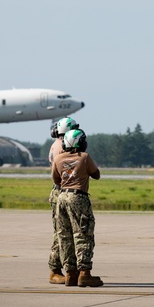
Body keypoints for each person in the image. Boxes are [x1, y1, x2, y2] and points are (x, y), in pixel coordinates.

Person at [51, 128, 102, 287]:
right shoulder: (85, 157)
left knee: (64, 236)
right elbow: (96, 174)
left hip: (62, 198)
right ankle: (84, 274)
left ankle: (70, 274)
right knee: (83, 234)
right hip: (78, 197)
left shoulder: (58, 159)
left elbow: (56, 179)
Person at [47, 117, 79, 284]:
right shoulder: (62, 147)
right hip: (62, 190)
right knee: (63, 234)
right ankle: (56, 270)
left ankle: (58, 269)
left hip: (59, 190)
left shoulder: (56, 144)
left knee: (61, 232)